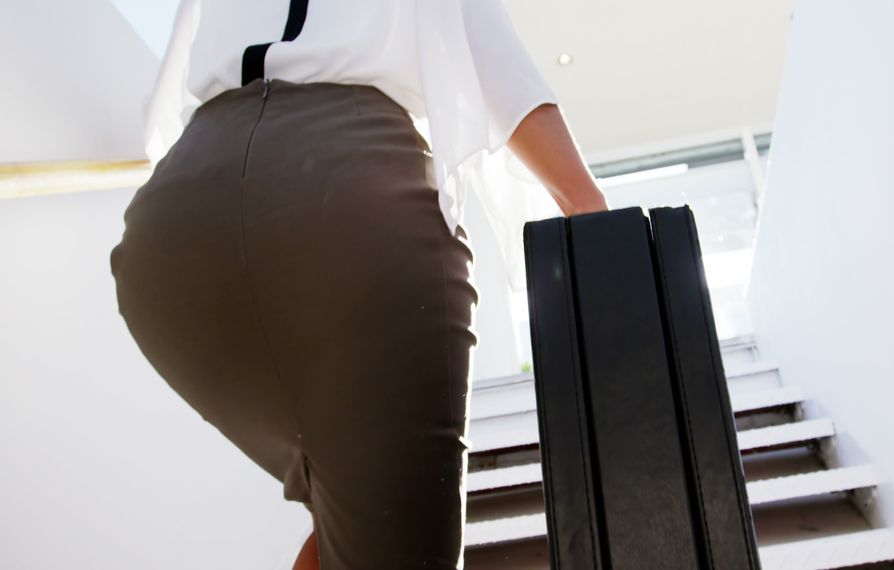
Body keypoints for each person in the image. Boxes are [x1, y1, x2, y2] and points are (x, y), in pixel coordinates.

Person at [108, 0, 609, 569]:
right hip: (347, 195)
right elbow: (495, 62)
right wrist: (590, 211)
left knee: (343, 514)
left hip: (175, 222)